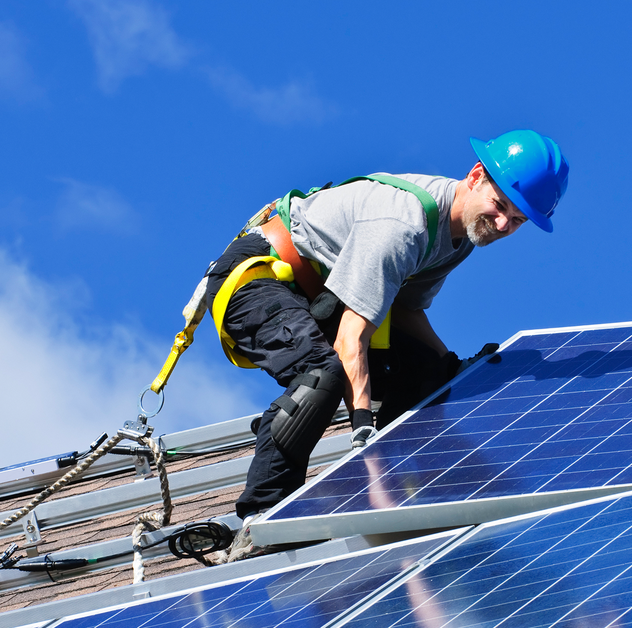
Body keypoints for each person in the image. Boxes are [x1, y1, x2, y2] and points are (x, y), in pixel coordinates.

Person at [204, 129, 569, 560]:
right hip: (256, 277)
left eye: (519, 220)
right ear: (475, 177)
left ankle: (409, 485)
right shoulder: (405, 224)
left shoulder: (459, 238)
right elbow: (350, 338)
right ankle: (262, 521)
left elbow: (407, 312)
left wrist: (449, 364)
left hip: (320, 297)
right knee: (322, 375)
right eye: (500, 205)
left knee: (430, 376)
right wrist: (362, 428)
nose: (504, 224)